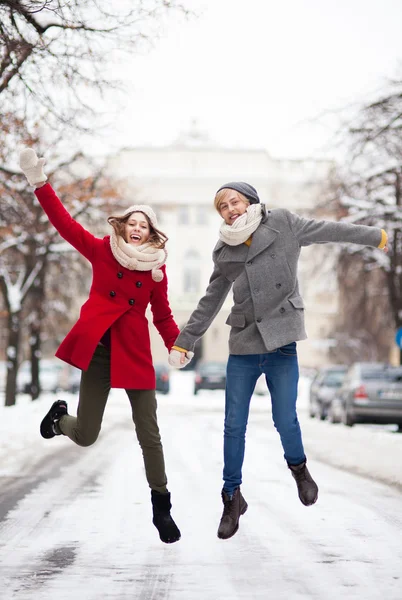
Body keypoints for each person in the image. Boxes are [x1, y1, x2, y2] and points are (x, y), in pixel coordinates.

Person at [168, 181, 388, 540]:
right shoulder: (225, 249)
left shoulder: (283, 223)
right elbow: (211, 299)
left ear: (250, 201)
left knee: (285, 418)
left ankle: (299, 468)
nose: (229, 209)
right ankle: (231, 495)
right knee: (232, 425)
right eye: (222, 206)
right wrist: (185, 341)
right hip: (243, 344)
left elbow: (329, 230)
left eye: (234, 201)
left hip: (282, 340)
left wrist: (374, 236)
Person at [19, 148, 191, 545]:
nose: (136, 228)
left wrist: (176, 345)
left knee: (149, 433)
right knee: (86, 434)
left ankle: (161, 506)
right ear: (123, 226)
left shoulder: (154, 274)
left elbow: (162, 316)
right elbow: (64, 224)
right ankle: (58, 420)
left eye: (144, 225)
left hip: (133, 356)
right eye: (132, 222)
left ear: (151, 234)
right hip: (99, 349)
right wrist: (39, 182)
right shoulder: (101, 250)